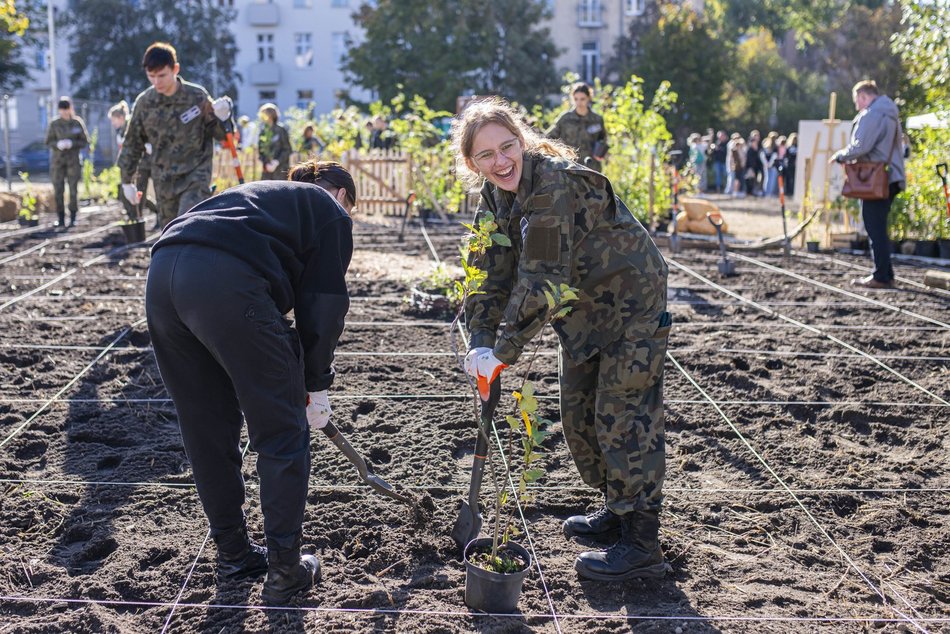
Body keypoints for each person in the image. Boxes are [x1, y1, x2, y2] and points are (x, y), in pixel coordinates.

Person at [455, 98, 670, 582]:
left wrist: (504, 352)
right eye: (486, 155)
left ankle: (642, 541)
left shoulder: (553, 183)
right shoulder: (493, 201)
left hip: (632, 304)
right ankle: (618, 510)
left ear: (522, 141)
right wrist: (480, 342)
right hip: (583, 310)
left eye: (508, 146)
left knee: (623, 416)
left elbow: (541, 279)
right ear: (472, 163)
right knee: (579, 415)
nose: (501, 161)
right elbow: (486, 276)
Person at [144, 160, 356, 604]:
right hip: (225, 280)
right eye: (351, 209)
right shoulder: (329, 209)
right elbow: (324, 305)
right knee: (281, 433)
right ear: (340, 195)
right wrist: (315, 385)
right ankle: (284, 572)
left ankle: (234, 554)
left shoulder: (260, 198)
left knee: (206, 427)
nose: (349, 219)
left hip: (163, 273)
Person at [117, 42, 232, 229]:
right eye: (151, 76)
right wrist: (126, 181)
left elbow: (220, 134)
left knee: (187, 227)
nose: (156, 82)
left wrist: (222, 116)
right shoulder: (145, 102)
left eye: (161, 75)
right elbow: (132, 143)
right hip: (164, 181)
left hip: (195, 175)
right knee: (169, 233)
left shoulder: (197, 97)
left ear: (175, 69)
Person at [832, 79, 905, 289]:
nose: (857, 106)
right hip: (891, 176)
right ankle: (885, 274)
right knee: (878, 226)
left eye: (857, 101)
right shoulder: (890, 114)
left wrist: (840, 156)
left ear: (864, 96)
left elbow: (860, 146)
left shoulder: (873, 114)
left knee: (874, 227)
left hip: (877, 179)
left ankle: (881, 276)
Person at [45, 97, 89, 228]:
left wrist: (72, 143)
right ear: (59, 110)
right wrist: (57, 144)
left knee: (73, 190)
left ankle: (73, 217)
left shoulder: (77, 123)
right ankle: (61, 218)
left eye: (66, 109)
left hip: (73, 162)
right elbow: (48, 142)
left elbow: (85, 141)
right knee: (58, 190)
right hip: (58, 163)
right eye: (62, 109)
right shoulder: (54, 124)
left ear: (70, 109)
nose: (64, 112)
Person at [109, 100, 158, 221]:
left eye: (113, 119)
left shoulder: (130, 125)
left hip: (143, 163)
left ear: (120, 117)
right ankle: (137, 216)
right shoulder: (120, 130)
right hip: (130, 164)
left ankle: (143, 215)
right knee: (134, 192)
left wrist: (147, 146)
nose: (112, 123)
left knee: (142, 191)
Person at [546, 82, 608, 172]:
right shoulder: (565, 118)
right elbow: (549, 137)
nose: (579, 102)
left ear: (588, 98)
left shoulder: (597, 119)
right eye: (576, 99)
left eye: (582, 99)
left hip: (591, 167)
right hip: (570, 166)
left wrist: (601, 152)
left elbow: (603, 139)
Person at [258, 103, 292, 180]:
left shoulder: (281, 130)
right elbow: (261, 151)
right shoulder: (263, 132)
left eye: (264, 114)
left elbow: (288, 150)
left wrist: (277, 162)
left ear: (271, 115)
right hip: (267, 173)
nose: (261, 117)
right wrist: (266, 163)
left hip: (281, 172)